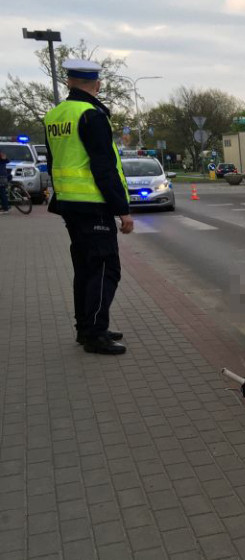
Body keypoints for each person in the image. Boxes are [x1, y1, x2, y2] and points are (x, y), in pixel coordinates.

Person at [44, 59, 134, 355]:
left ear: (69, 82)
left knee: (85, 269)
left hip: (70, 204)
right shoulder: (91, 115)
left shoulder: (55, 115)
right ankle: (95, 333)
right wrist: (122, 210)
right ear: (96, 85)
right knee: (106, 269)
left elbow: (53, 162)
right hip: (93, 204)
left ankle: (86, 327)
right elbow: (104, 166)